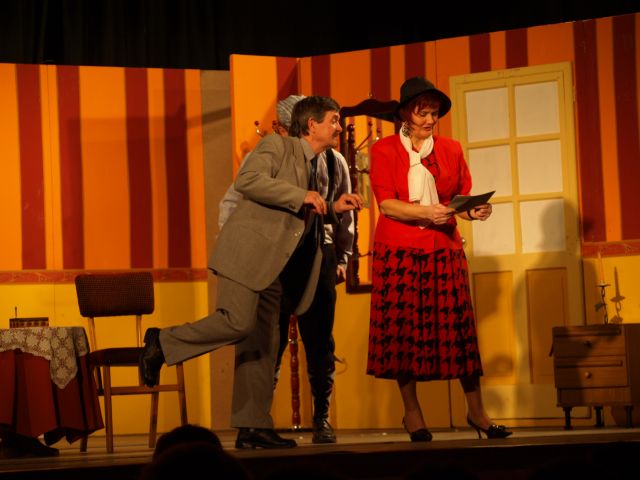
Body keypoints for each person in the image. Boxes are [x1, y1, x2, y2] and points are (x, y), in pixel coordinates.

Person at [139, 95, 363, 450]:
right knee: (237, 323)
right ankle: (162, 342)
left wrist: (333, 207)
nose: (338, 127)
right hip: (248, 256)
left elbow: (294, 218)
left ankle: (252, 426)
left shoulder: (318, 163)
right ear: (311, 125)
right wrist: (302, 196)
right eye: (333, 120)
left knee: (262, 344)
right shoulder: (276, 146)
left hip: (275, 265)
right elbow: (248, 180)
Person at [366, 76, 512, 441]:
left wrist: (473, 211)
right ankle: (412, 414)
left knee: (459, 332)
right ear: (405, 113)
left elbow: (461, 198)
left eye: (434, 113)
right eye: (423, 113)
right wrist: (425, 213)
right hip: (399, 252)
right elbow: (387, 205)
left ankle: (477, 412)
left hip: (443, 249)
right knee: (403, 333)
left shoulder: (450, 149)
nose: (430, 120)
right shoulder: (384, 150)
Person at [219, 94, 354, 444]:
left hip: (318, 252)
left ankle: (321, 417)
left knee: (320, 340)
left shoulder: (334, 160)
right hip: (276, 255)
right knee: (267, 340)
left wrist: (342, 258)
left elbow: (343, 212)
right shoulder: (272, 154)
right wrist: (241, 253)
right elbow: (233, 202)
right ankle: (257, 421)